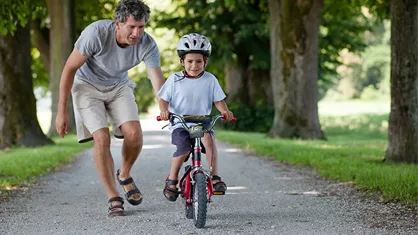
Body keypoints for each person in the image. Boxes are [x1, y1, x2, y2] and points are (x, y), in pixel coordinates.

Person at [55, 0, 165, 216]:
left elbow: (157, 79)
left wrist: (164, 107)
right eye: (131, 27)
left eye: (141, 27)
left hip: (118, 86)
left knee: (134, 134)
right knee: (102, 138)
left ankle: (124, 174)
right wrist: (61, 111)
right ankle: (113, 196)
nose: (136, 33)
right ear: (117, 23)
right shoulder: (95, 33)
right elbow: (69, 69)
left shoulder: (148, 44)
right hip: (87, 86)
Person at [158, 33, 234, 202]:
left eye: (199, 61)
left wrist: (225, 111)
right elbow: (163, 99)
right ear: (182, 62)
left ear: (205, 62)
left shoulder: (210, 79)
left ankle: (215, 177)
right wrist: (164, 111)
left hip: (203, 122)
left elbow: (218, 101)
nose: (194, 65)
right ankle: (172, 179)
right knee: (183, 148)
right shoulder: (174, 79)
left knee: (209, 141)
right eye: (190, 61)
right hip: (180, 123)